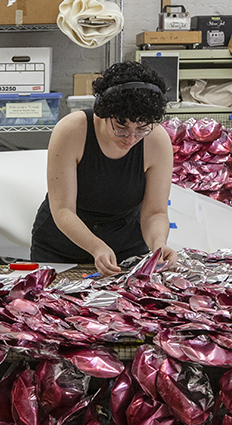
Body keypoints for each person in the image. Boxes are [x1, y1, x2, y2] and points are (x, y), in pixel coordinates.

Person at [29, 61, 176, 275]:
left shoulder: (157, 141)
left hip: (126, 248)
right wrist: (96, 247)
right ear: (103, 112)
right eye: (121, 128)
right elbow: (63, 210)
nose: (131, 138)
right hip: (61, 248)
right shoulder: (72, 130)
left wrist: (158, 245)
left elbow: (155, 212)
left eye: (141, 129)